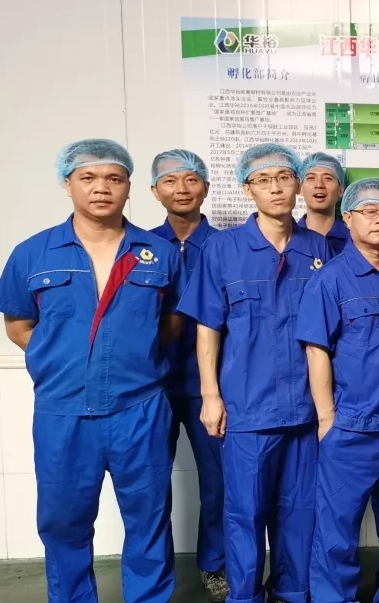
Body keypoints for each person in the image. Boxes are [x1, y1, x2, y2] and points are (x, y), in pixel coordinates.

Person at [0, 139, 184, 602]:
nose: (102, 188)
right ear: (68, 184)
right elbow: (18, 325)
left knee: (148, 520)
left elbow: (173, 321)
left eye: (114, 178)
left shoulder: (159, 253)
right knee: (63, 522)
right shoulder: (33, 253)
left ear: (129, 188)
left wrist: (132, 357)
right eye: (88, 177)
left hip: (140, 409)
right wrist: (63, 358)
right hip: (63, 411)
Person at [178, 142, 331, 603]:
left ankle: (292, 592)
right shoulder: (223, 249)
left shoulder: (317, 247)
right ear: (248, 190)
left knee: (299, 510)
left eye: (284, 178)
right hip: (247, 406)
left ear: (298, 184)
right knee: (245, 512)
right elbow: (208, 328)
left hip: (305, 407)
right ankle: (244, 595)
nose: (276, 188)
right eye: (263, 180)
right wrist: (210, 395)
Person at [298, 179, 379, 603]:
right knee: (337, 528)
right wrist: (327, 418)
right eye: (369, 211)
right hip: (351, 425)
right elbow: (316, 350)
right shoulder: (330, 279)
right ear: (347, 217)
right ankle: (334, 597)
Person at [148, 149, 227, 602]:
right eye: (171, 181)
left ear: (206, 188)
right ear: (154, 191)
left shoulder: (227, 246)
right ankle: (153, 575)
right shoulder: (139, 247)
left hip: (208, 387)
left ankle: (215, 564)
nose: (182, 189)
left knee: (218, 483)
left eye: (192, 179)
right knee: (149, 486)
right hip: (151, 385)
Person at [298, 151, 350, 255]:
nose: (319, 185)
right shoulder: (287, 238)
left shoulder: (354, 239)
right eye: (311, 178)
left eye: (328, 178)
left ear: (341, 191)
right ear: (300, 189)